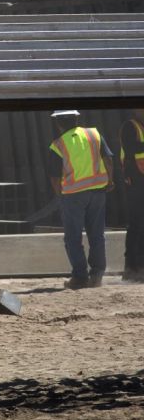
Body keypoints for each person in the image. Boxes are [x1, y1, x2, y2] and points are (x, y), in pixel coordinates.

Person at [47, 110, 115, 290]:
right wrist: (110, 180)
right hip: (98, 191)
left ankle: (79, 277)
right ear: (77, 119)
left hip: (73, 195)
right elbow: (108, 160)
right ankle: (97, 275)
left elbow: (54, 177)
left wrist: (60, 196)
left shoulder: (58, 145)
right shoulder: (95, 134)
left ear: (58, 124)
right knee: (97, 234)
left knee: (73, 237)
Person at [119, 109, 144, 282]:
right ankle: (132, 267)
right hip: (135, 179)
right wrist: (128, 175)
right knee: (136, 223)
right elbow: (129, 150)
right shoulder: (130, 126)